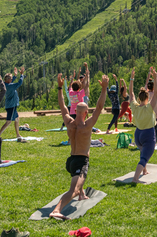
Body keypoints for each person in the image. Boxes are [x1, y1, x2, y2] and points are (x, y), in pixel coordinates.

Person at [49, 73, 109, 220]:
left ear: (75, 111)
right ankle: (57, 210)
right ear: (86, 113)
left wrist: (59, 87)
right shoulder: (88, 125)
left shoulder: (69, 122)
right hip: (80, 161)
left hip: (70, 161)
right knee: (73, 189)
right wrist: (104, 89)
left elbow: (62, 105)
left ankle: (82, 195)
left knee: (78, 180)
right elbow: (100, 106)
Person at [129, 67, 157, 183]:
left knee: (143, 152)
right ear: (147, 98)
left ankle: (144, 170)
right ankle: (135, 178)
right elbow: (156, 93)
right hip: (148, 134)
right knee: (144, 157)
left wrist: (131, 79)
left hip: (138, 135)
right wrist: (156, 77)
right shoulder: (149, 107)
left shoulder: (135, 106)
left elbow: (130, 93)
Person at [0, 67, 26, 142]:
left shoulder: (5, 85)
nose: (12, 79)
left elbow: (11, 82)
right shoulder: (11, 86)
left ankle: (18, 134)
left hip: (10, 105)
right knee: (8, 121)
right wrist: (21, 75)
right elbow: (19, 83)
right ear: (8, 80)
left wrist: (14, 76)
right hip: (12, 106)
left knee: (17, 119)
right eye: (11, 78)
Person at [146, 67, 157, 137]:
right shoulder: (156, 92)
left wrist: (149, 73)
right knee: (155, 128)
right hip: (156, 113)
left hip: (148, 113)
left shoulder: (145, 93)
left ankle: (149, 140)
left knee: (149, 128)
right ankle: (153, 142)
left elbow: (146, 83)